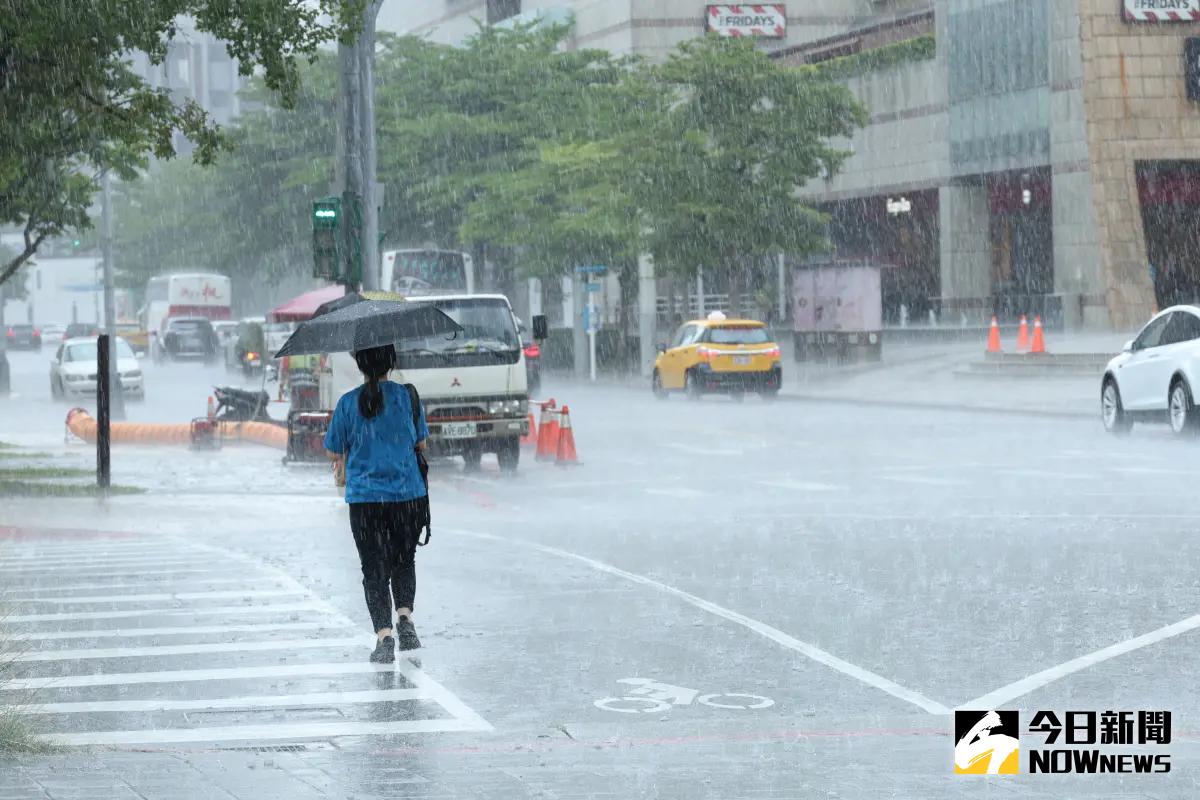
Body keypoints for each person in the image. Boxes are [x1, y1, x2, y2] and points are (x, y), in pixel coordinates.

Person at [324, 344, 429, 663]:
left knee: (373, 568)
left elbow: (333, 449)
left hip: (366, 501)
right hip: (406, 496)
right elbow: (421, 442)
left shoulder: (346, 403)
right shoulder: (407, 397)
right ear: (391, 362)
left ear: (360, 365)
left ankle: (384, 637)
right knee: (403, 559)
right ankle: (406, 617)